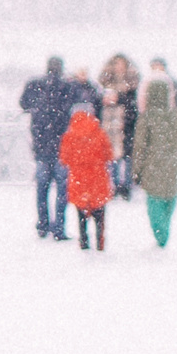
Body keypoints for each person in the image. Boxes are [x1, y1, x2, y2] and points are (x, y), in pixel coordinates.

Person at [20, 56, 86, 239]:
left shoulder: (35, 85)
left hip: (41, 144)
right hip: (62, 146)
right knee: (62, 190)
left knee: (42, 188)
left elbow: (23, 104)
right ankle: (59, 228)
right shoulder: (68, 86)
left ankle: (42, 225)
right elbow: (82, 99)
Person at [133, 72, 177, 246]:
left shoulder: (147, 117)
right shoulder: (176, 116)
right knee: (170, 197)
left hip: (152, 165)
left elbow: (140, 146)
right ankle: (165, 228)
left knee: (154, 201)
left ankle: (161, 234)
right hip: (171, 165)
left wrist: (136, 170)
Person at [59, 106, 113, 251]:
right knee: (99, 215)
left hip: (79, 181)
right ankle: (100, 242)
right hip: (98, 181)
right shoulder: (100, 133)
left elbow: (64, 159)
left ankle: (84, 242)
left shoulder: (69, 136)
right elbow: (109, 155)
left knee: (81, 215)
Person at [98, 54, 140, 199]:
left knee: (127, 157)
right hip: (109, 125)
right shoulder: (106, 84)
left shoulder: (132, 85)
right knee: (112, 157)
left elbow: (133, 105)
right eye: (116, 64)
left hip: (126, 124)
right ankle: (114, 185)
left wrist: (119, 99)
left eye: (121, 64)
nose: (119, 67)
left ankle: (126, 186)